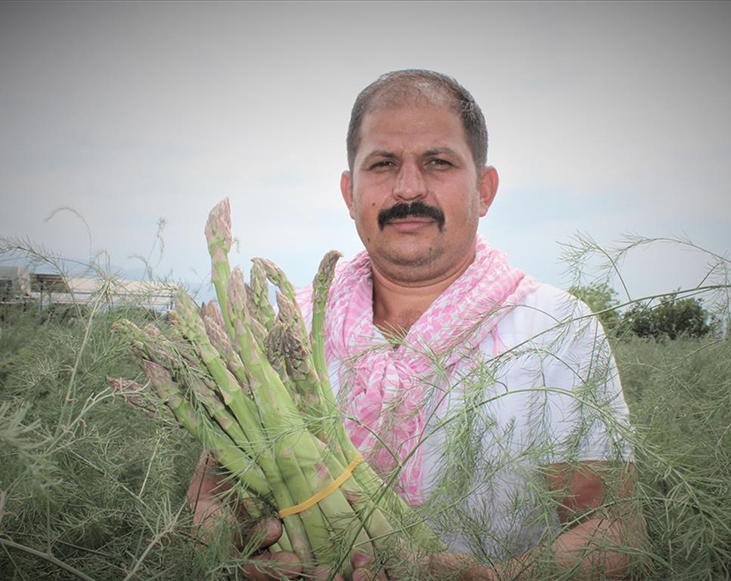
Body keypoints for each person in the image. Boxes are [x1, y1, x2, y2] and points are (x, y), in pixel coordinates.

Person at [187, 69, 644, 580]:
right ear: (349, 191)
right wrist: (223, 540)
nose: (408, 187)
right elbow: (211, 497)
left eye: (438, 162)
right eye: (382, 164)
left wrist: (502, 578)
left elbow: (616, 530)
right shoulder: (278, 328)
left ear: (485, 190)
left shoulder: (557, 329)